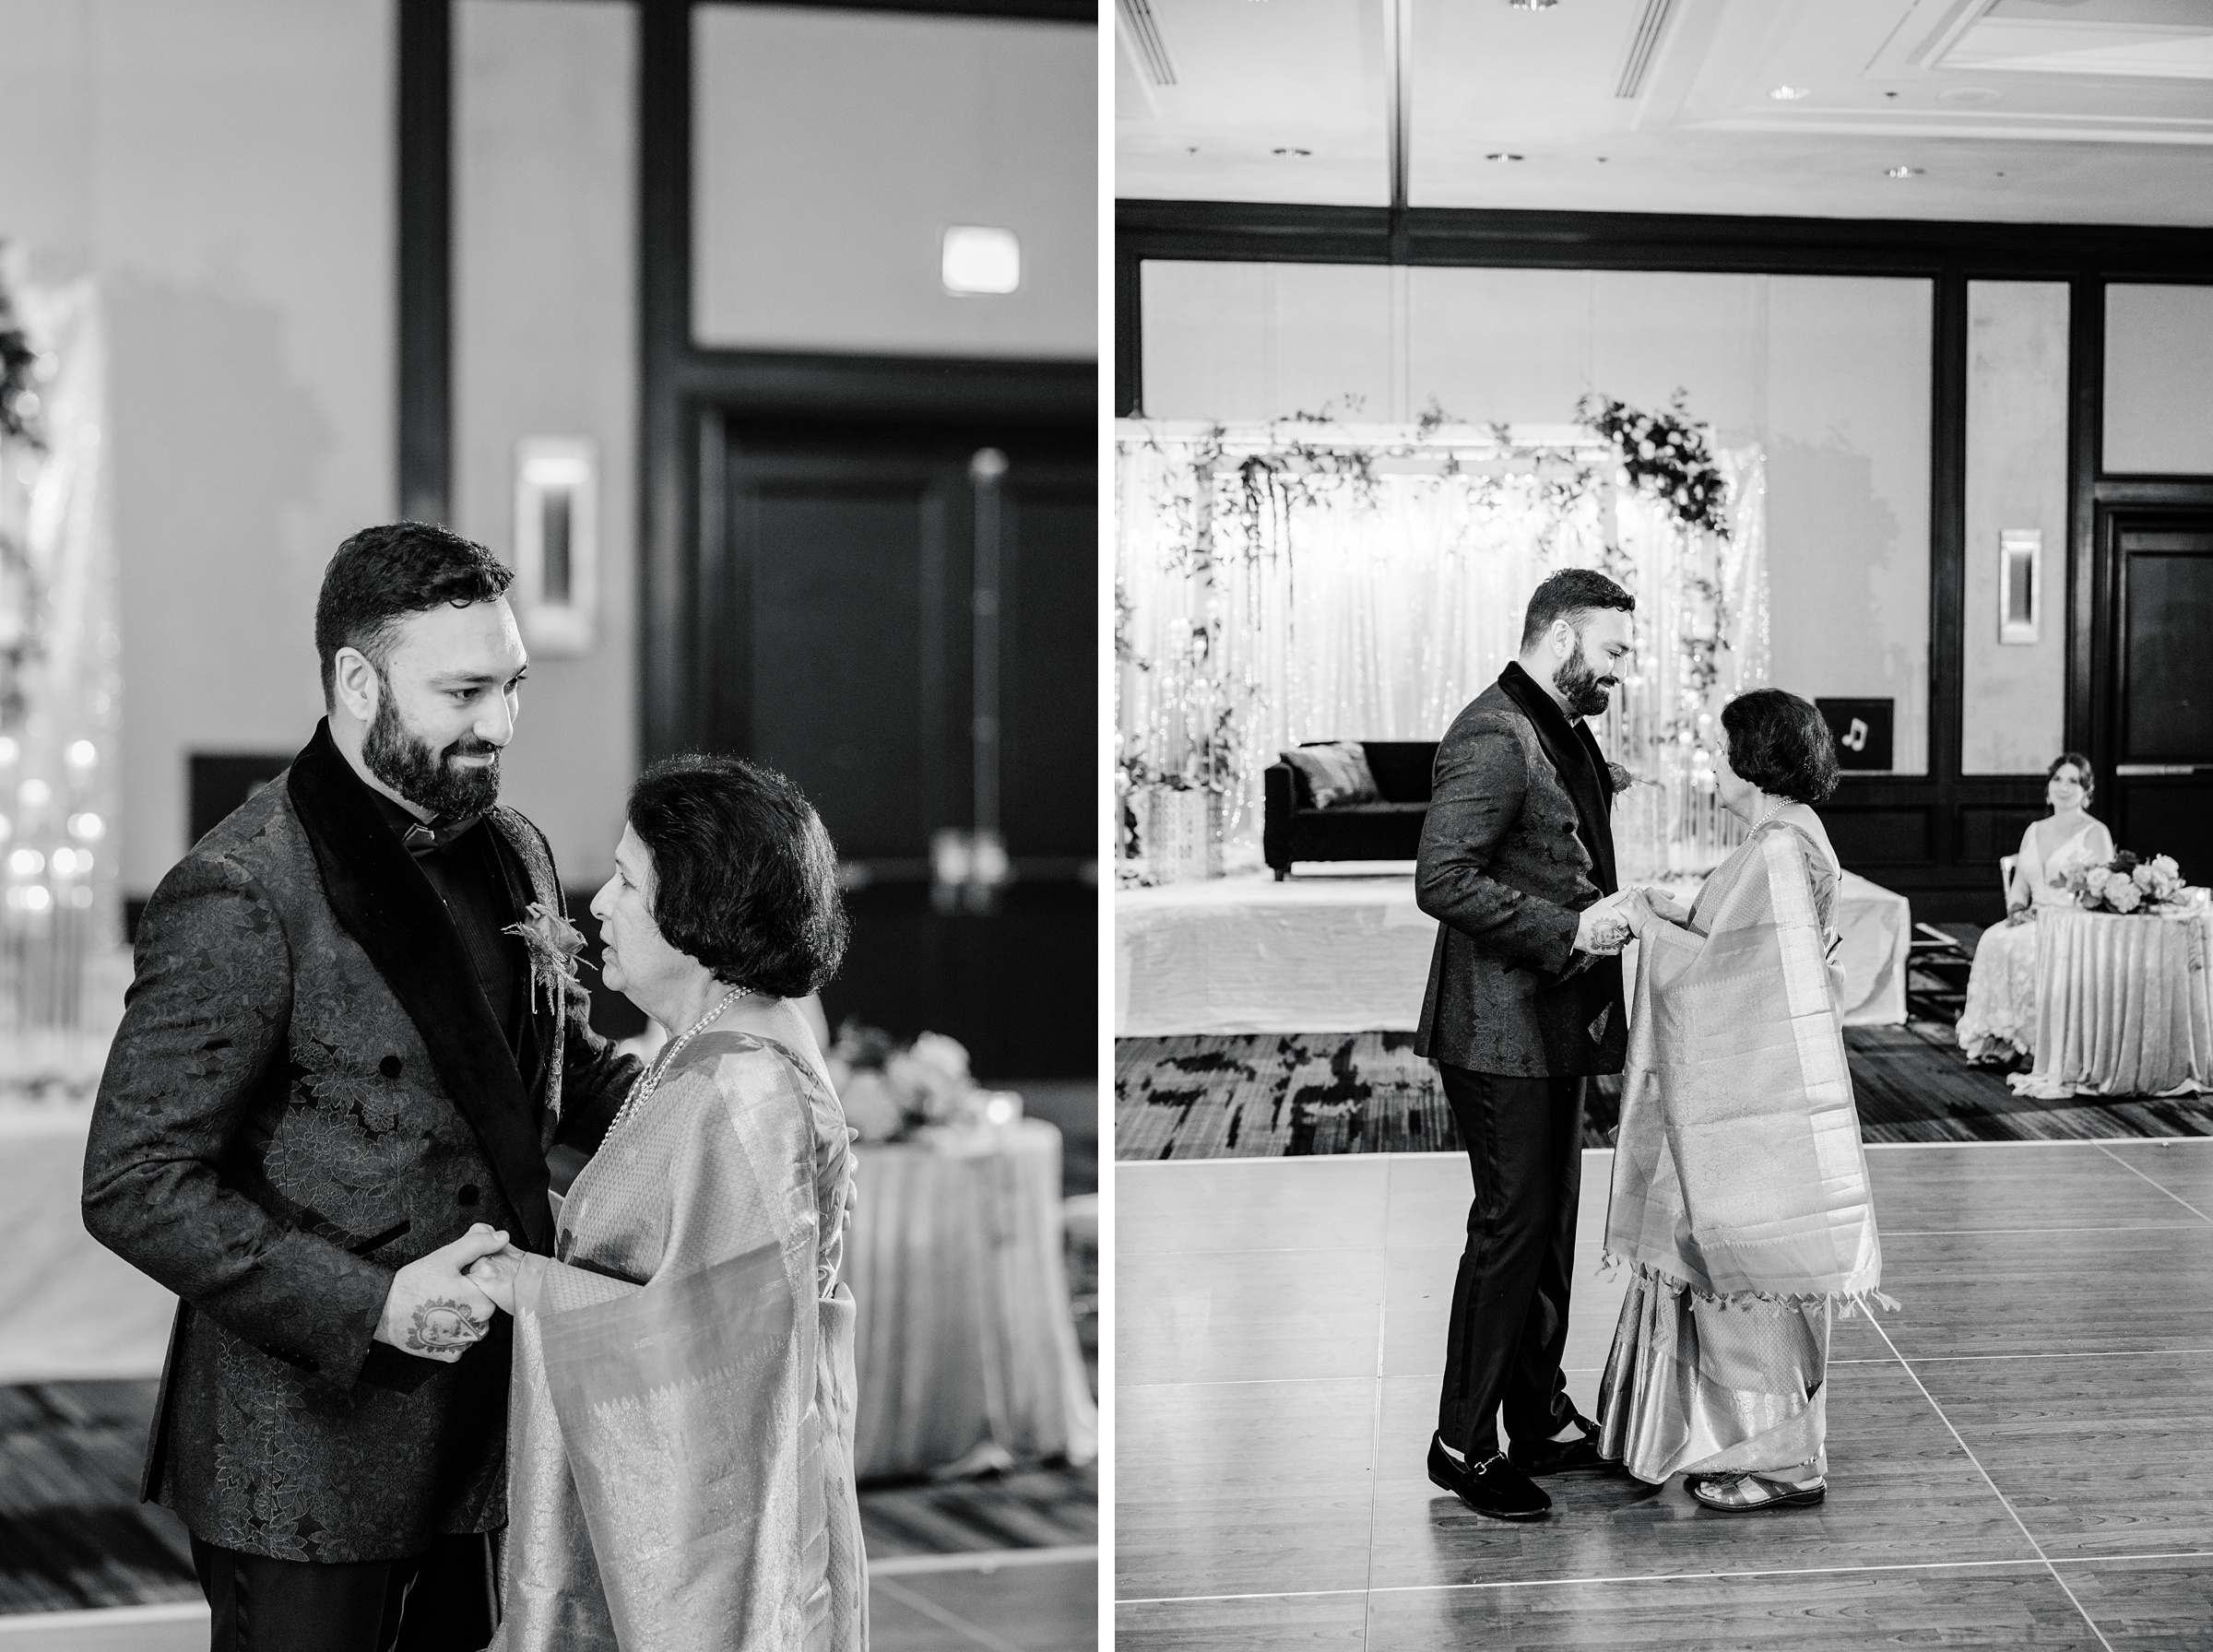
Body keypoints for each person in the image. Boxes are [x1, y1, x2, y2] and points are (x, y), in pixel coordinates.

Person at [81, 524, 642, 1650]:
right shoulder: (240, 888)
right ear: (355, 679)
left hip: (487, 1426)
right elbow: (134, 1181)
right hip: (304, 1454)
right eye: (465, 690)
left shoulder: (516, 849)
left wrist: (728, 1101)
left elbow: (554, 1077)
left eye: (513, 685)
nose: (500, 723)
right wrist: (375, 1306)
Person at [464, 753, 867, 1651]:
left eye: (627, 880)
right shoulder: (711, 1047)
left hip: (720, 1543)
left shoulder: (748, 1087)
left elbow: (716, 1356)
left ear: (698, 909)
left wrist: (523, 1283)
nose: (599, 903)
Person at [1599, 688, 1885, 1513]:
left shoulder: (1775, 850)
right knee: (1752, 1265)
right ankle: (1754, 1445)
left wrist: (1651, 925)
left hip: (1755, 1094)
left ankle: (1786, 1462)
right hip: (1773, 1082)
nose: (1711, 765)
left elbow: (1726, 973)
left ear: (1753, 759)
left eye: (1720, 749)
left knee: (1749, 1267)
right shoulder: (1793, 838)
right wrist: (1672, 913)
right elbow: (1738, 945)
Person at [1414, 567, 1641, 1523]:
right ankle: (1461, 1443)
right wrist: (1572, 931)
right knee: (1509, 1232)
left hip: (1549, 1028)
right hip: (1498, 1030)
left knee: (1548, 1230)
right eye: (1614, 650)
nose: (1624, 670)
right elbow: (1441, 879)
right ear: (1559, 640)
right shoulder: (1492, 733)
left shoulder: (1559, 727)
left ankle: (1537, 1414)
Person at [1954, 753, 2112, 1066]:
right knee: (1994, 938)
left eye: (2073, 781)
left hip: (2072, 922)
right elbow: (2020, 887)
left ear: (2086, 791)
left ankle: (2035, 1043)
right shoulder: (2035, 829)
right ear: (2048, 786)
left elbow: (2099, 892)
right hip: (2033, 916)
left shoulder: (2096, 833)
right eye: (2057, 780)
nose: (2064, 788)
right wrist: (2016, 911)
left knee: (2028, 946)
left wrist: (2051, 915)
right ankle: (1999, 1037)